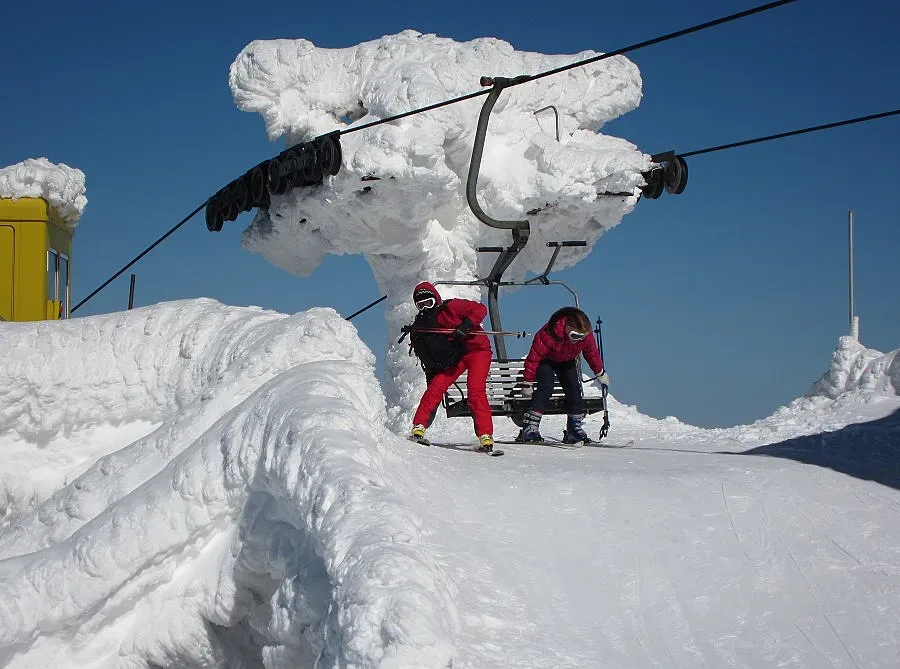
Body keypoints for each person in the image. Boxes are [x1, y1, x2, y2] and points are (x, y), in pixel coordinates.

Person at [407, 281, 495, 452]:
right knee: (435, 387)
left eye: (429, 302)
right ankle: (418, 427)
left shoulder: (452, 307)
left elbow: (480, 309)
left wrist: (466, 326)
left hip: (478, 351)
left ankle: (485, 436)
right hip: (457, 355)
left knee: (475, 390)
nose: (425, 308)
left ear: (436, 299)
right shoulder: (426, 322)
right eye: (421, 305)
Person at [518, 306, 609, 444]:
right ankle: (530, 427)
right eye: (575, 336)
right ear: (567, 328)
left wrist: (600, 373)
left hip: (566, 360)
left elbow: (592, 354)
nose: (578, 340)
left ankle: (574, 429)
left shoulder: (586, 336)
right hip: (546, 360)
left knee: (574, 389)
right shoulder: (549, 333)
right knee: (546, 387)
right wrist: (527, 383)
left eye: (581, 337)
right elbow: (534, 358)